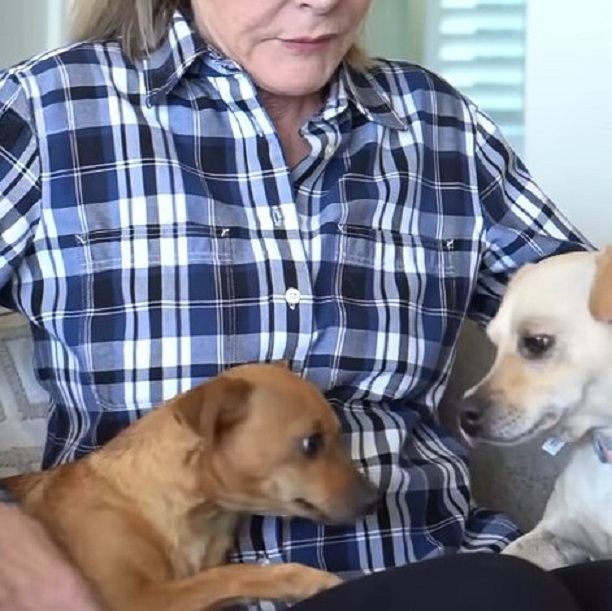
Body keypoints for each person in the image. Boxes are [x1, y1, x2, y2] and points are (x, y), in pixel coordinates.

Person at [0, 0, 604, 609]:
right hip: (179, 592)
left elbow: (592, 316)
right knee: (503, 594)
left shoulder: (439, 123)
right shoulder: (50, 107)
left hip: (434, 564)